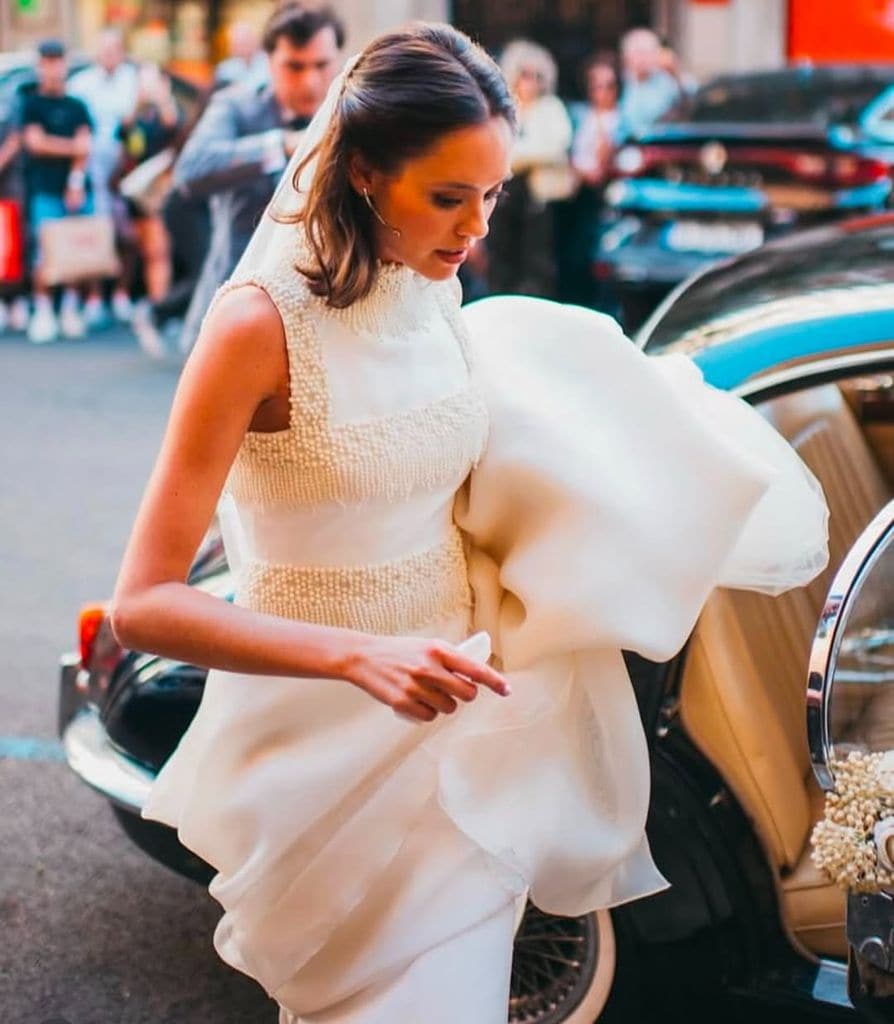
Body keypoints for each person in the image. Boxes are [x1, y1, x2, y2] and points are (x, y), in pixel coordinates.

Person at [110, 21, 829, 1023]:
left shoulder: (433, 288)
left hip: (474, 727)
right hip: (323, 745)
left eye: (490, 194)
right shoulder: (253, 328)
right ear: (361, 172)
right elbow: (143, 603)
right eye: (448, 197)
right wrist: (362, 659)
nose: (476, 228)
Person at [152, 1, 344, 359]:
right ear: (269, 62)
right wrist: (280, 146)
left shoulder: (352, 114)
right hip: (239, 304)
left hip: (327, 316)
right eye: (294, 66)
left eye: (321, 65)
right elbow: (190, 171)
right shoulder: (236, 107)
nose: (310, 80)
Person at [20, 38, 94, 344]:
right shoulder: (31, 104)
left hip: (73, 189)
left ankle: (69, 309)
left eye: (57, 61)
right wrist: (70, 147)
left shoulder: (77, 106)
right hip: (44, 188)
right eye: (47, 61)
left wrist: (75, 181)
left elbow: (85, 147)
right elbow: (35, 143)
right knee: (45, 253)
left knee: (74, 250)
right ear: (40, 66)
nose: (53, 68)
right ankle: (43, 310)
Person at [486, 39, 573, 298]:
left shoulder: (551, 108)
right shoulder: (503, 109)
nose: (531, 81)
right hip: (504, 199)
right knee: (502, 263)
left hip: (537, 200)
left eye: (538, 75)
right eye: (525, 74)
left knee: (537, 264)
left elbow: (552, 146)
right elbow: (492, 148)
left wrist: (514, 153)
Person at [68, 26, 139, 327]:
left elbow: (135, 130)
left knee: (126, 236)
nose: (109, 56)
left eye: (115, 50)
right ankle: (94, 298)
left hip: (122, 173)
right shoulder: (81, 85)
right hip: (90, 173)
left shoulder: (131, 81)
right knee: (93, 236)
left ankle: (121, 295)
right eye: (105, 50)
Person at [116, 63, 180, 315]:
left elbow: (174, 130)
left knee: (157, 252)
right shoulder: (137, 116)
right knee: (137, 248)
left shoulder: (168, 112)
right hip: (135, 191)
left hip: (156, 194)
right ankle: (147, 301)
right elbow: (124, 140)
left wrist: (162, 97)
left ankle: (158, 306)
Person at [562, 53, 620, 308]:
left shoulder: (621, 119)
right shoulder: (579, 115)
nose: (603, 92)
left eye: (609, 85)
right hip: (577, 192)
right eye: (597, 85)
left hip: (605, 194)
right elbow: (567, 149)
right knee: (575, 254)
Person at [617, 26, 682, 141]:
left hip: (657, 145)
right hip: (625, 146)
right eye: (638, 53)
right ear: (626, 57)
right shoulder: (617, 83)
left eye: (648, 53)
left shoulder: (667, 85)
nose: (643, 59)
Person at [215, 20, 270, 89]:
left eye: (247, 40)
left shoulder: (268, 62)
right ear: (232, 47)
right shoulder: (224, 69)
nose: (244, 47)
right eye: (239, 43)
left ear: (256, 41)